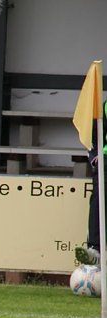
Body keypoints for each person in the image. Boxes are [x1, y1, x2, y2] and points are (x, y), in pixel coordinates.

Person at [75, 98, 106, 266]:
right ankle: (94, 249)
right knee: (98, 201)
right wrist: (94, 155)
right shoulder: (106, 106)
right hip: (105, 162)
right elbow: (93, 136)